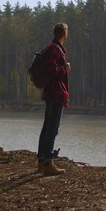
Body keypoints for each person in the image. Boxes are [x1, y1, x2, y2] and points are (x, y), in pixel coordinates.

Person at [37, 23, 71, 176]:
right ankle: (48, 164)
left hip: (51, 92)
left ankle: (41, 161)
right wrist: (65, 69)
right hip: (55, 93)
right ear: (64, 34)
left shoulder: (51, 47)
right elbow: (52, 69)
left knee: (47, 127)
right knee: (52, 129)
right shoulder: (55, 49)